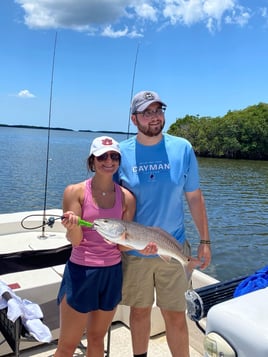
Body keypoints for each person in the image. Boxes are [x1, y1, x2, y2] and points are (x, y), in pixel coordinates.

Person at [115, 91, 212, 357]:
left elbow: (194, 198)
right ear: (134, 119)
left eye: (158, 110)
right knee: (139, 312)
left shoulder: (182, 148)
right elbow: (112, 203)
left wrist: (204, 240)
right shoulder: (119, 153)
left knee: (176, 316)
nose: (154, 117)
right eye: (146, 112)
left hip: (174, 245)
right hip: (135, 252)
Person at [54, 136, 136, 357]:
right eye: (102, 156)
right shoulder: (75, 192)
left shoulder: (127, 197)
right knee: (66, 346)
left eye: (114, 156)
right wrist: (72, 226)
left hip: (112, 273)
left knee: (97, 339)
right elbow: (77, 241)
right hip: (82, 272)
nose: (108, 161)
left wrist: (142, 247)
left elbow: (123, 247)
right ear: (92, 161)